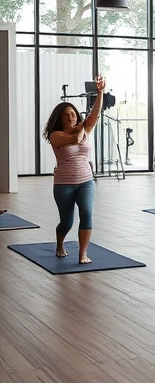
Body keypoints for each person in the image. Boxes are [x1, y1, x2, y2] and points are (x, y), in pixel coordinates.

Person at [44, 76, 105, 264]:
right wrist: (82, 126)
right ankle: (60, 245)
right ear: (59, 119)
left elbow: (95, 114)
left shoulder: (84, 129)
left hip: (86, 181)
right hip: (64, 184)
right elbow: (75, 140)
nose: (70, 117)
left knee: (86, 213)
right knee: (67, 222)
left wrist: (100, 92)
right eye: (66, 115)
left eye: (73, 114)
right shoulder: (56, 135)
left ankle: (82, 253)